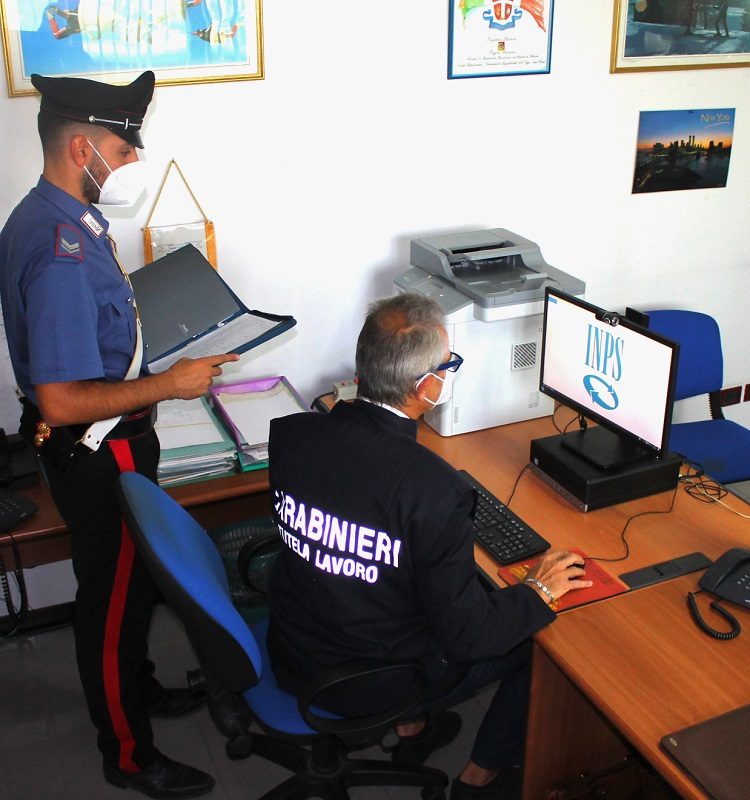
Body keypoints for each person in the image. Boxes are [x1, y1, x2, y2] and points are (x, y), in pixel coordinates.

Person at [0, 71, 239, 798]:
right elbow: (66, 398)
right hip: (100, 452)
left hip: (106, 445)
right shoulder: (61, 251)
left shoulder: (55, 219)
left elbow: (92, 339)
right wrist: (171, 383)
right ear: (82, 147)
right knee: (110, 607)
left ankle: (138, 687)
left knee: (133, 589)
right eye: (124, 148)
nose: (134, 162)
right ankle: (128, 753)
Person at [266, 293, 592, 800]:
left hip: (295, 646)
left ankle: (412, 731)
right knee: (539, 645)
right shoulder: (435, 491)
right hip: (367, 679)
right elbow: (469, 637)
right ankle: (478, 780)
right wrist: (537, 592)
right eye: (449, 365)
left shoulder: (291, 433)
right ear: (427, 386)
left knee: (387, 584)